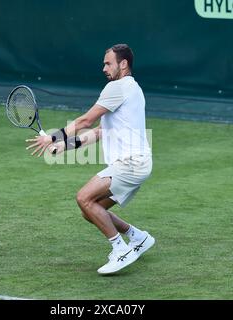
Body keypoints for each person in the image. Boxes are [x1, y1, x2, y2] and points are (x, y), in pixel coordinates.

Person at [26, 44, 154, 275]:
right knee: (91, 211)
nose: (104, 68)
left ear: (123, 64)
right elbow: (97, 132)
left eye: (108, 63)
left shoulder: (117, 88)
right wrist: (61, 146)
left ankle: (120, 250)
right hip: (138, 164)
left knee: (83, 197)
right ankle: (138, 237)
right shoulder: (132, 89)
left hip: (131, 163)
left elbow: (85, 121)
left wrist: (52, 136)